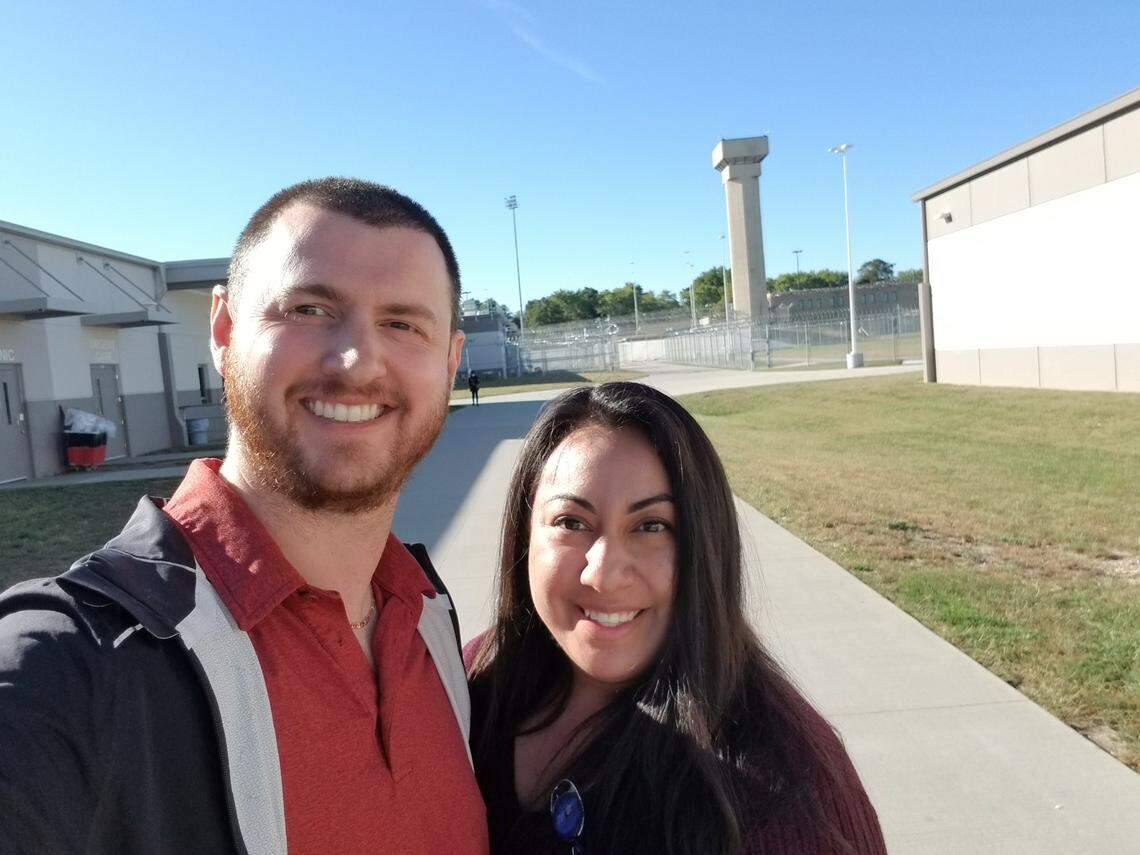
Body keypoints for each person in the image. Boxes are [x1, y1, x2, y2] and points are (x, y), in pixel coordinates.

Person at [0, 178, 489, 854]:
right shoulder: (72, 665)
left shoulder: (429, 615)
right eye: (312, 307)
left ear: (450, 360)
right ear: (224, 329)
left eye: (403, 323)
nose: (356, 361)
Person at [466, 382, 886, 855]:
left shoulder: (783, 797)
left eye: (651, 526)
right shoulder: (466, 679)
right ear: (524, 538)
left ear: (704, 547)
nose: (603, 574)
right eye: (571, 523)